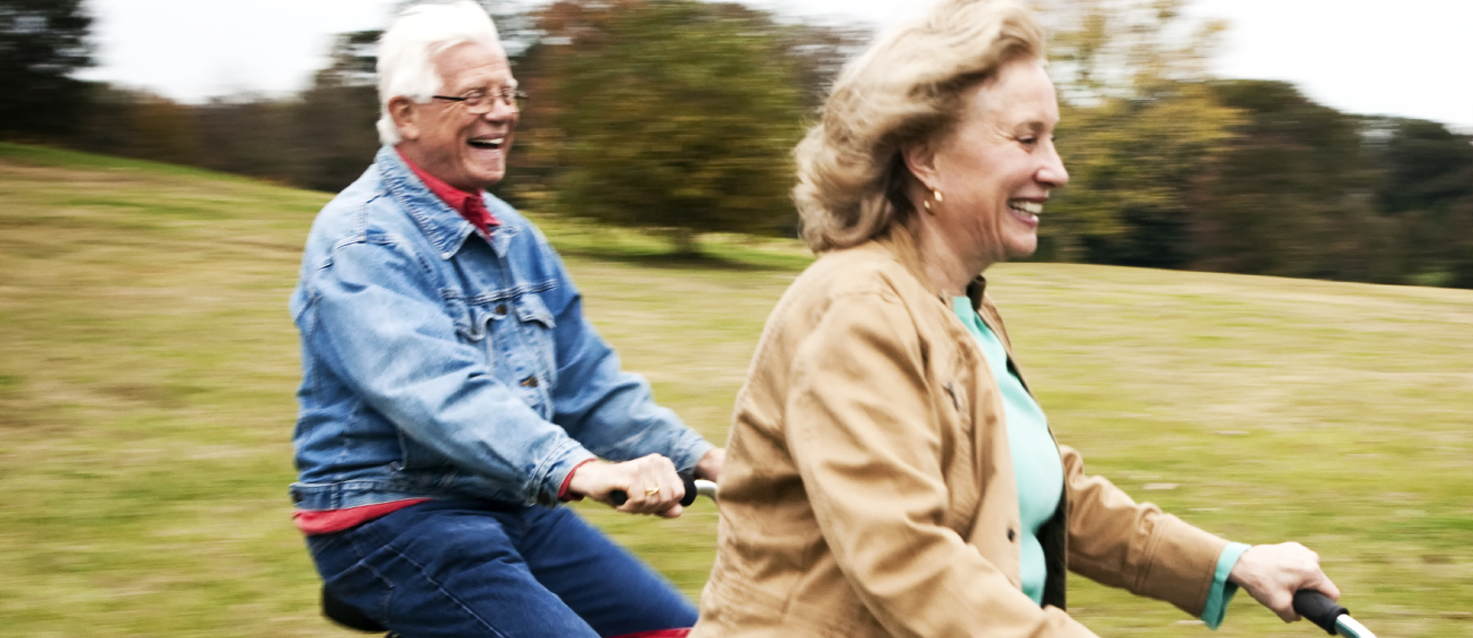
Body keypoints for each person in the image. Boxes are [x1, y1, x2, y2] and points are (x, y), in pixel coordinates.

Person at [690, 1, 1341, 637]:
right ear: (924, 156)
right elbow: (906, 560)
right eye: (1027, 138)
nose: (1056, 170)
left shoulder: (961, 308)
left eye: (1051, 139)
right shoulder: (857, 313)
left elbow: (1048, 493)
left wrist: (1231, 564)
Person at [287, 3, 719, 636]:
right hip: (390, 514)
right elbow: (437, 394)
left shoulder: (518, 238)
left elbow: (587, 385)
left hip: (510, 503)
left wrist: (708, 460)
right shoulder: (360, 241)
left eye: (508, 92)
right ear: (405, 113)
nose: (503, 111)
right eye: (475, 95)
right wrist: (583, 470)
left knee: (678, 631)